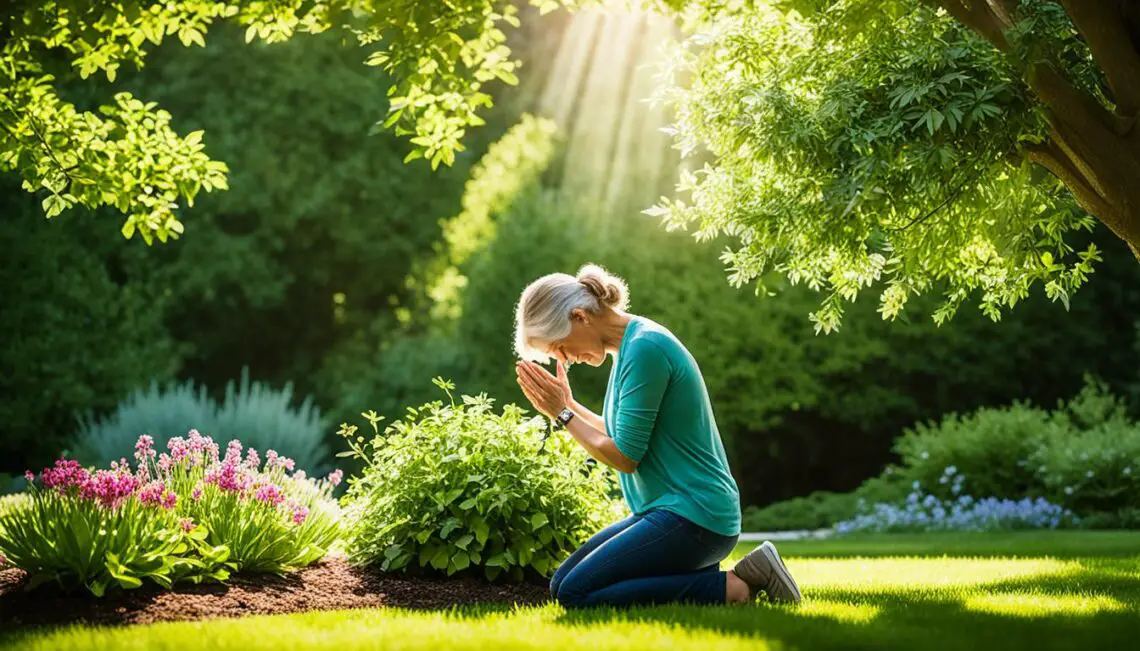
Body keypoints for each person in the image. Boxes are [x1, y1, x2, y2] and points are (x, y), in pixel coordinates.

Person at [512, 263, 803, 609]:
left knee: (576, 594)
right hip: (669, 514)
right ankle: (721, 578)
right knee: (562, 583)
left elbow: (625, 456)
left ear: (580, 317)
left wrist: (563, 413)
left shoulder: (646, 348)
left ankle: (733, 588)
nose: (565, 359)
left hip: (695, 516)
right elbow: (616, 432)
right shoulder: (628, 351)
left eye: (559, 347)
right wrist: (568, 406)